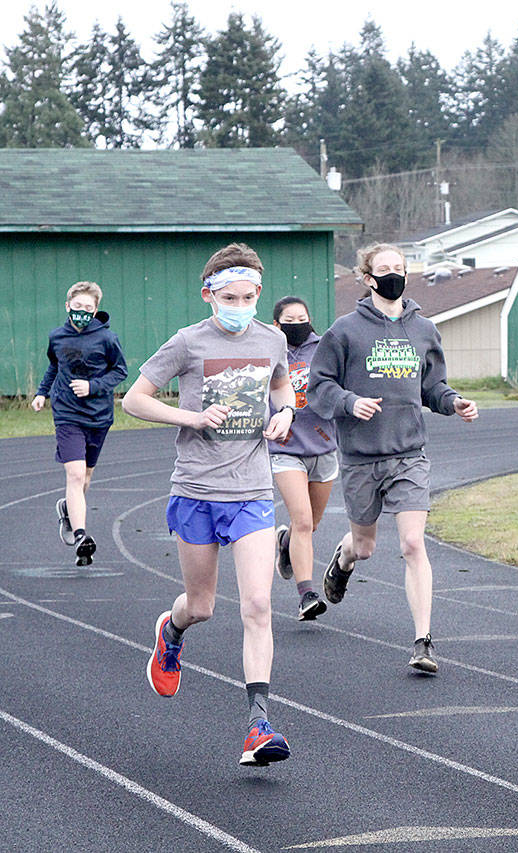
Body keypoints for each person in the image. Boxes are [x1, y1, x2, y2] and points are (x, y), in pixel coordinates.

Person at [123, 243, 295, 767]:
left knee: (258, 606)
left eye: (248, 296)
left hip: (252, 490)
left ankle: (258, 724)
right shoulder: (188, 342)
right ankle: (169, 632)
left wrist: (285, 413)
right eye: (229, 296)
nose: (239, 305)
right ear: (210, 295)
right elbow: (134, 400)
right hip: (196, 489)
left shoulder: (273, 340)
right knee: (201, 606)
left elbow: (284, 387)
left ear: (258, 294)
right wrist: (191, 418)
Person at [308, 242, 478, 675]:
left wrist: (454, 402)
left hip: (409, 454)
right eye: (384, 270)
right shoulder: (344, 331)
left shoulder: (424, 329)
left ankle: (423, 641)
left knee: (412, 543)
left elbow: (433, 387)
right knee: (364, 547)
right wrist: (349, 402)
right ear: (367, 278)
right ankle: (342, 559)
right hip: (362, 457)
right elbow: (319, 386)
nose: (393, 276)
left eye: (400, 269)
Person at [31, 281, 128, 566]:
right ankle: (81, 535)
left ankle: (67, 509)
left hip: (98, 416)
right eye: (78, 307)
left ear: (96, 310)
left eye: (88, 308)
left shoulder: (107, 339)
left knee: (85, 478)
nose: (82, 312)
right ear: (67, 306)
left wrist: (93, 386)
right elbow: (54, 365)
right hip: (67, 414)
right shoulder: (57, 337)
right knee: (74, 475)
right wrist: (41, 392)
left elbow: (120, 370)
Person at [268, 296, 338, 621]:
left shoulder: (325, 348)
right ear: (277, 324)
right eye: (289, 319)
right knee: (303, 521)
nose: (297, 324)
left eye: (302, 318)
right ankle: (306, 594)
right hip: (286, 448)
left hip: (324, 446)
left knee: (311, 526)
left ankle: (284, 544)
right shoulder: (269, 352)